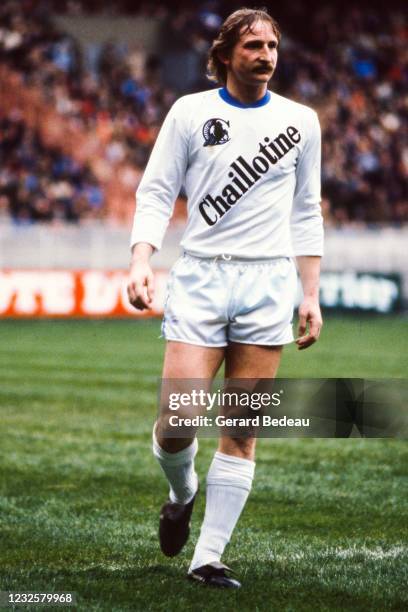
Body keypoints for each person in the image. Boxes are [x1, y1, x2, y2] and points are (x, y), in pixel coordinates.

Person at [127, 7, 323, 589]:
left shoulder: (301, 121)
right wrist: (142, 259)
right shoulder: (190, 113)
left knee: (241, 428)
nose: (266, 55)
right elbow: (157, 191)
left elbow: (307, 211)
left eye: (273, 46)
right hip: (201, 278)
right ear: (225, 55)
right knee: (177, 421)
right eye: (253, 46)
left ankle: (206, 558)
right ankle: (181, 492)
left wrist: (308, 294)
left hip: (268, 283)